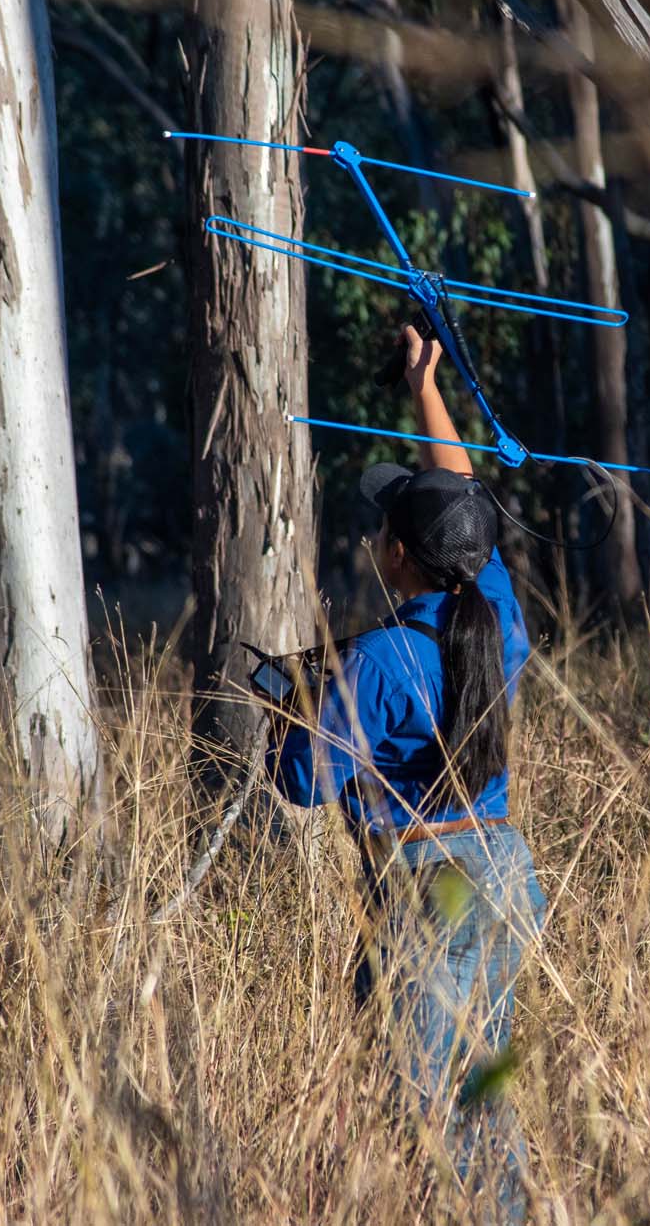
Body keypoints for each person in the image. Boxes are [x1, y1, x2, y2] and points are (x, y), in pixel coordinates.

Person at [268, 323, 546, 1221]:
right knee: (482, 1108)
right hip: (507, 876)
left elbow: (302, 783)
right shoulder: (495, 617)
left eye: (384, 527)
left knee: (429, 1117)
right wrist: (425, 385)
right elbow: (460, 492)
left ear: (397, 556)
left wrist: (298, 707)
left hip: (429, 887)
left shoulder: (384, 661)